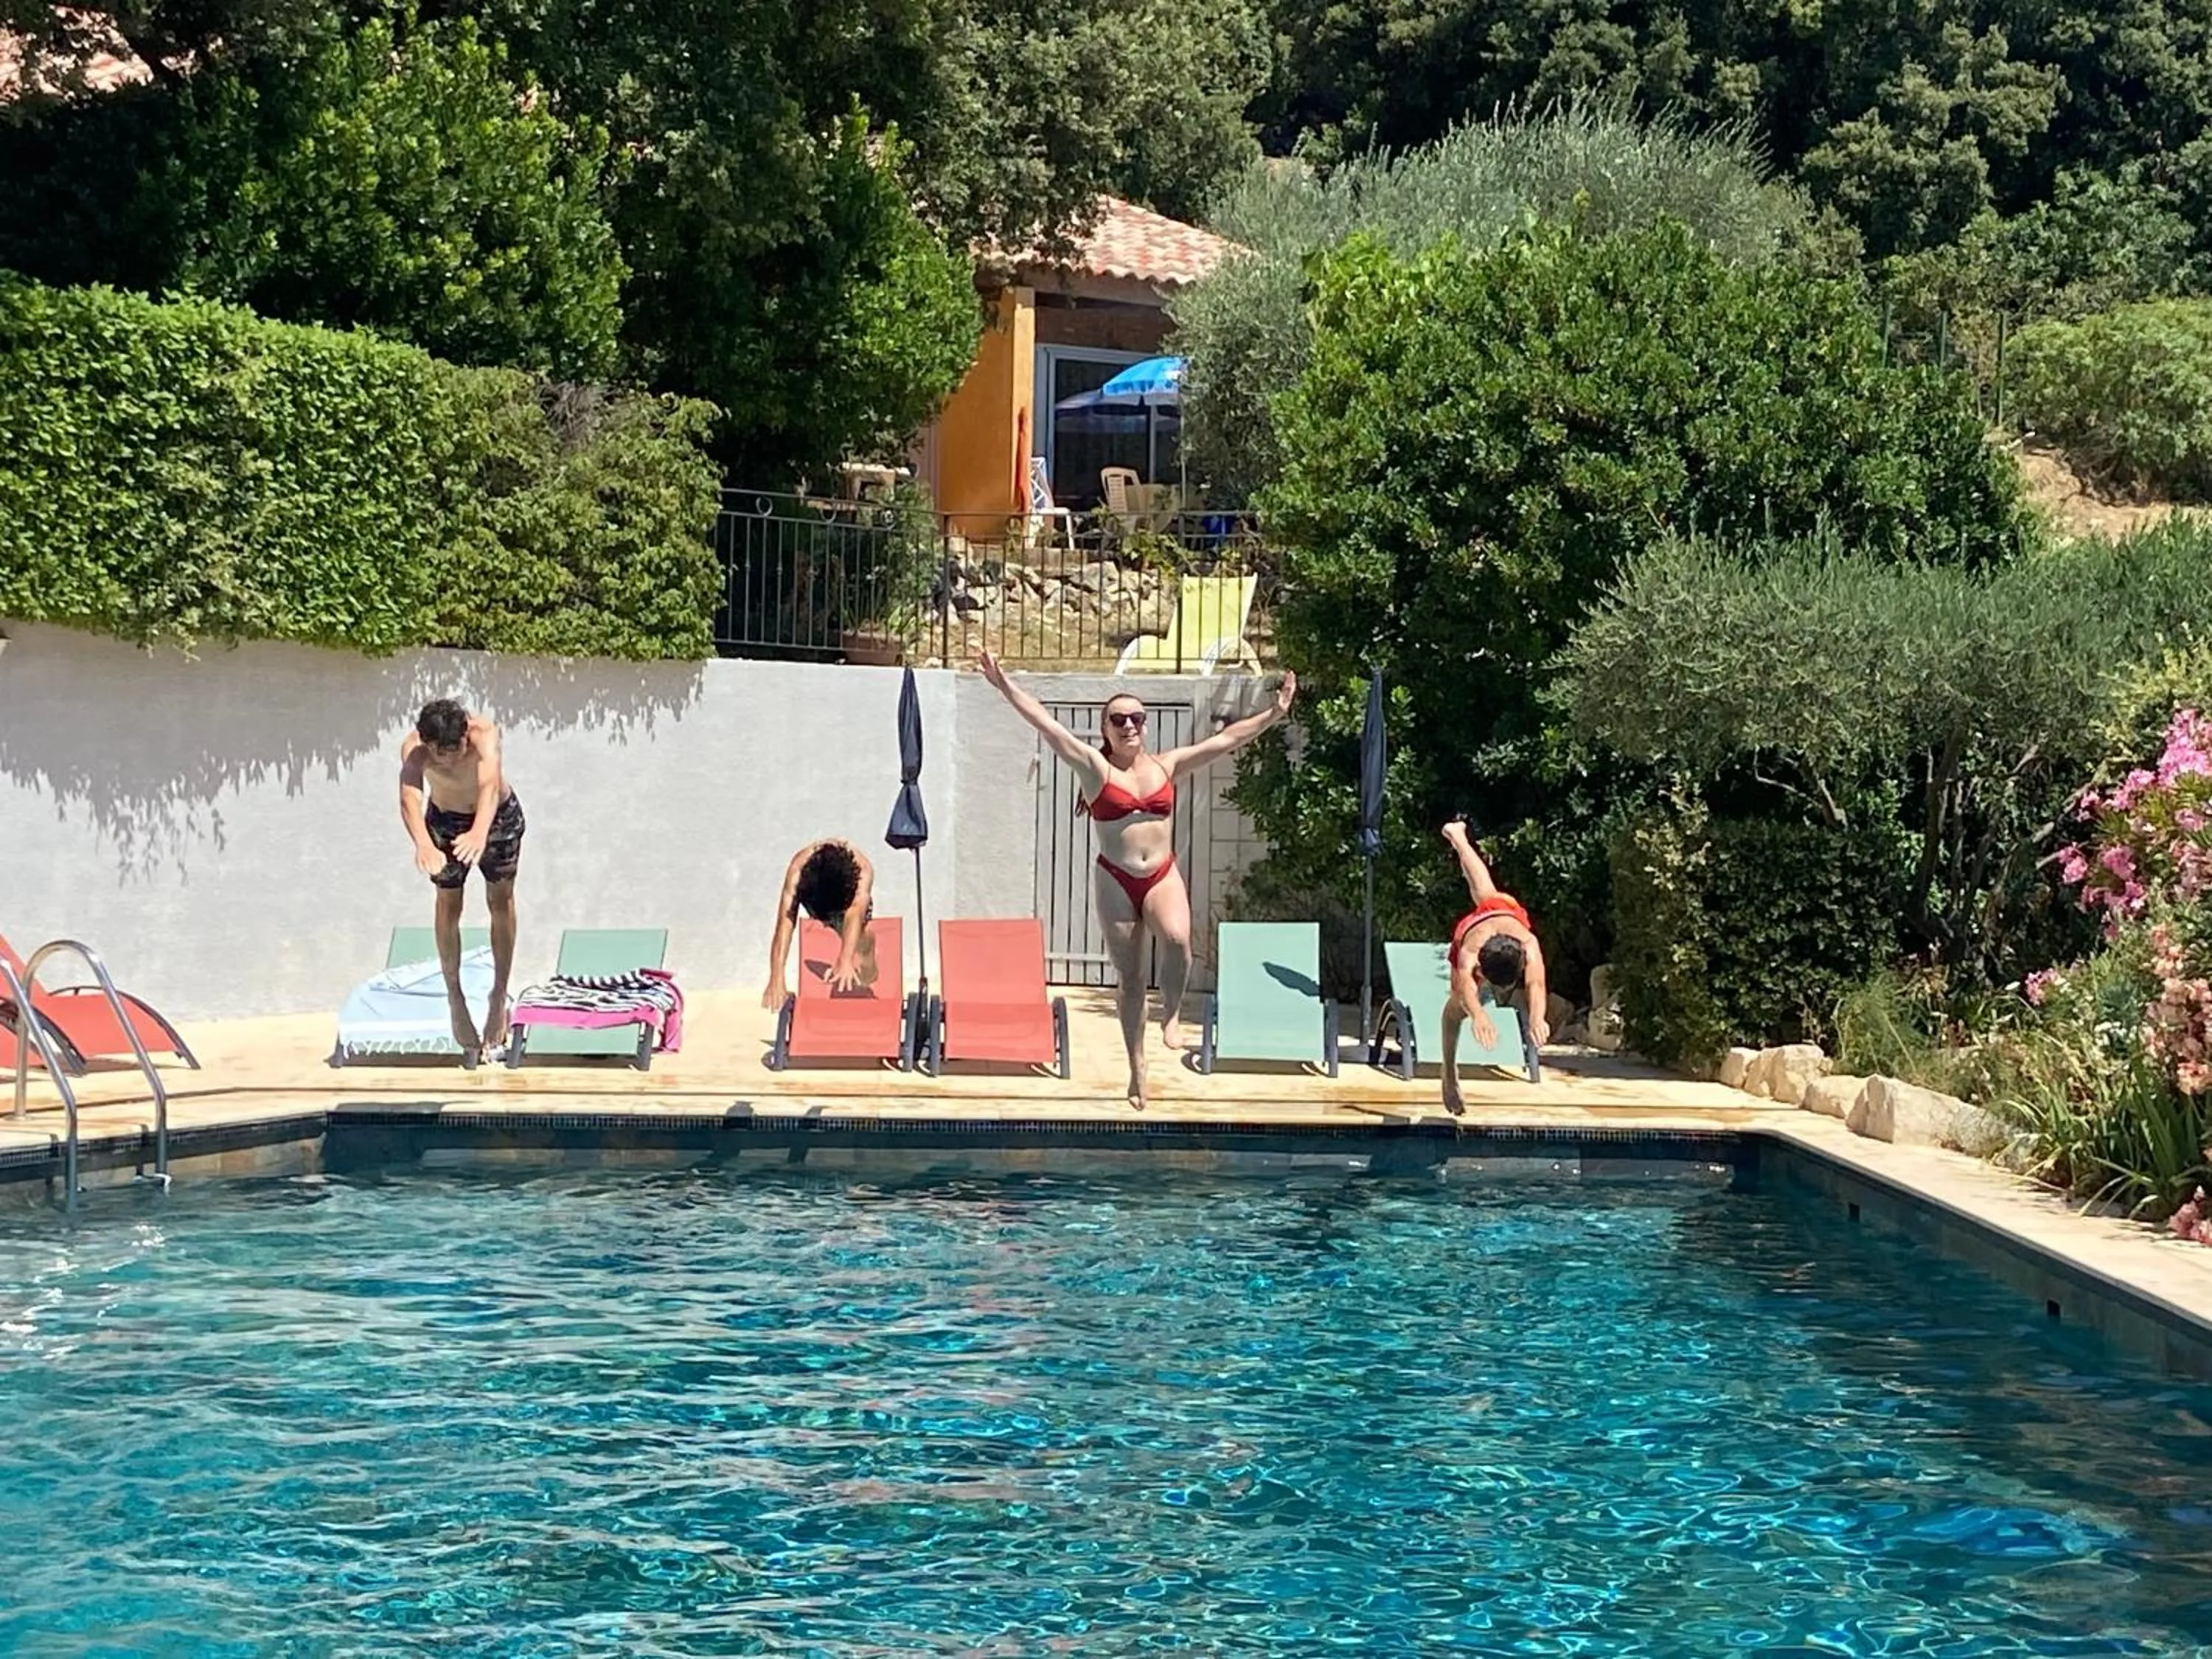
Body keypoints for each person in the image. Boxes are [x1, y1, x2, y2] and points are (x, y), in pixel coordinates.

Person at [977, 649, 1297, 1108]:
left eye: (1137, 719)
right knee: (1130, 978)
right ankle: (1137, 1067)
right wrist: (1004, 686)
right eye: (1119, 720)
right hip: (1115, 878)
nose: (1130, 726)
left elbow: (1225, 741)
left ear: (1146, 725)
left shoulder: (1167, 765)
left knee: (1178, 939)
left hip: (1162, 873)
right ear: (1106, 729)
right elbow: (1047, 724)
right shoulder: (1095, 768)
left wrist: (1274, 713)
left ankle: (1170, 1014)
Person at [398, 698, 524, 1053]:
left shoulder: (483, 734)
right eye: (442, 754)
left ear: (466, 734)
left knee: (500, 899)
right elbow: (410, 798)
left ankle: (498, 995)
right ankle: (455, 996)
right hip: (446, 820)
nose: (451, 760)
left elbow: (487, 787)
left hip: (497, 817)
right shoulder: (415, 751)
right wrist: (423, 843)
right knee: (448, 902)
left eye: (457, 750)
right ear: (426, 743)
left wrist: (481, 832)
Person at [1439, 818, 1550, 1113]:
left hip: (1503, 913)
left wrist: (1537, 1019)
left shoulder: (1528, 943)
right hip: (1475, 928)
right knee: (1454, 1012)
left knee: (1488, 893)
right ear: (1481, 969)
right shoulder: (1470, 948)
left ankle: (1459, 838)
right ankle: (1449, 1076)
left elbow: (1536, 984)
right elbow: (1464, 985)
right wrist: (1477, 1014)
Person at [762, 839, 879, 1007]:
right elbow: (785, 923)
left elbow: (854, 912)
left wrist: (845, 959)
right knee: (838, 930)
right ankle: (850, 953)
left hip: (846, 904)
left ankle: (868, 949)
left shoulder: (863, 871)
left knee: (866, 971)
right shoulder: (797, 870)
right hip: (818, 899)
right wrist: (776, 976)